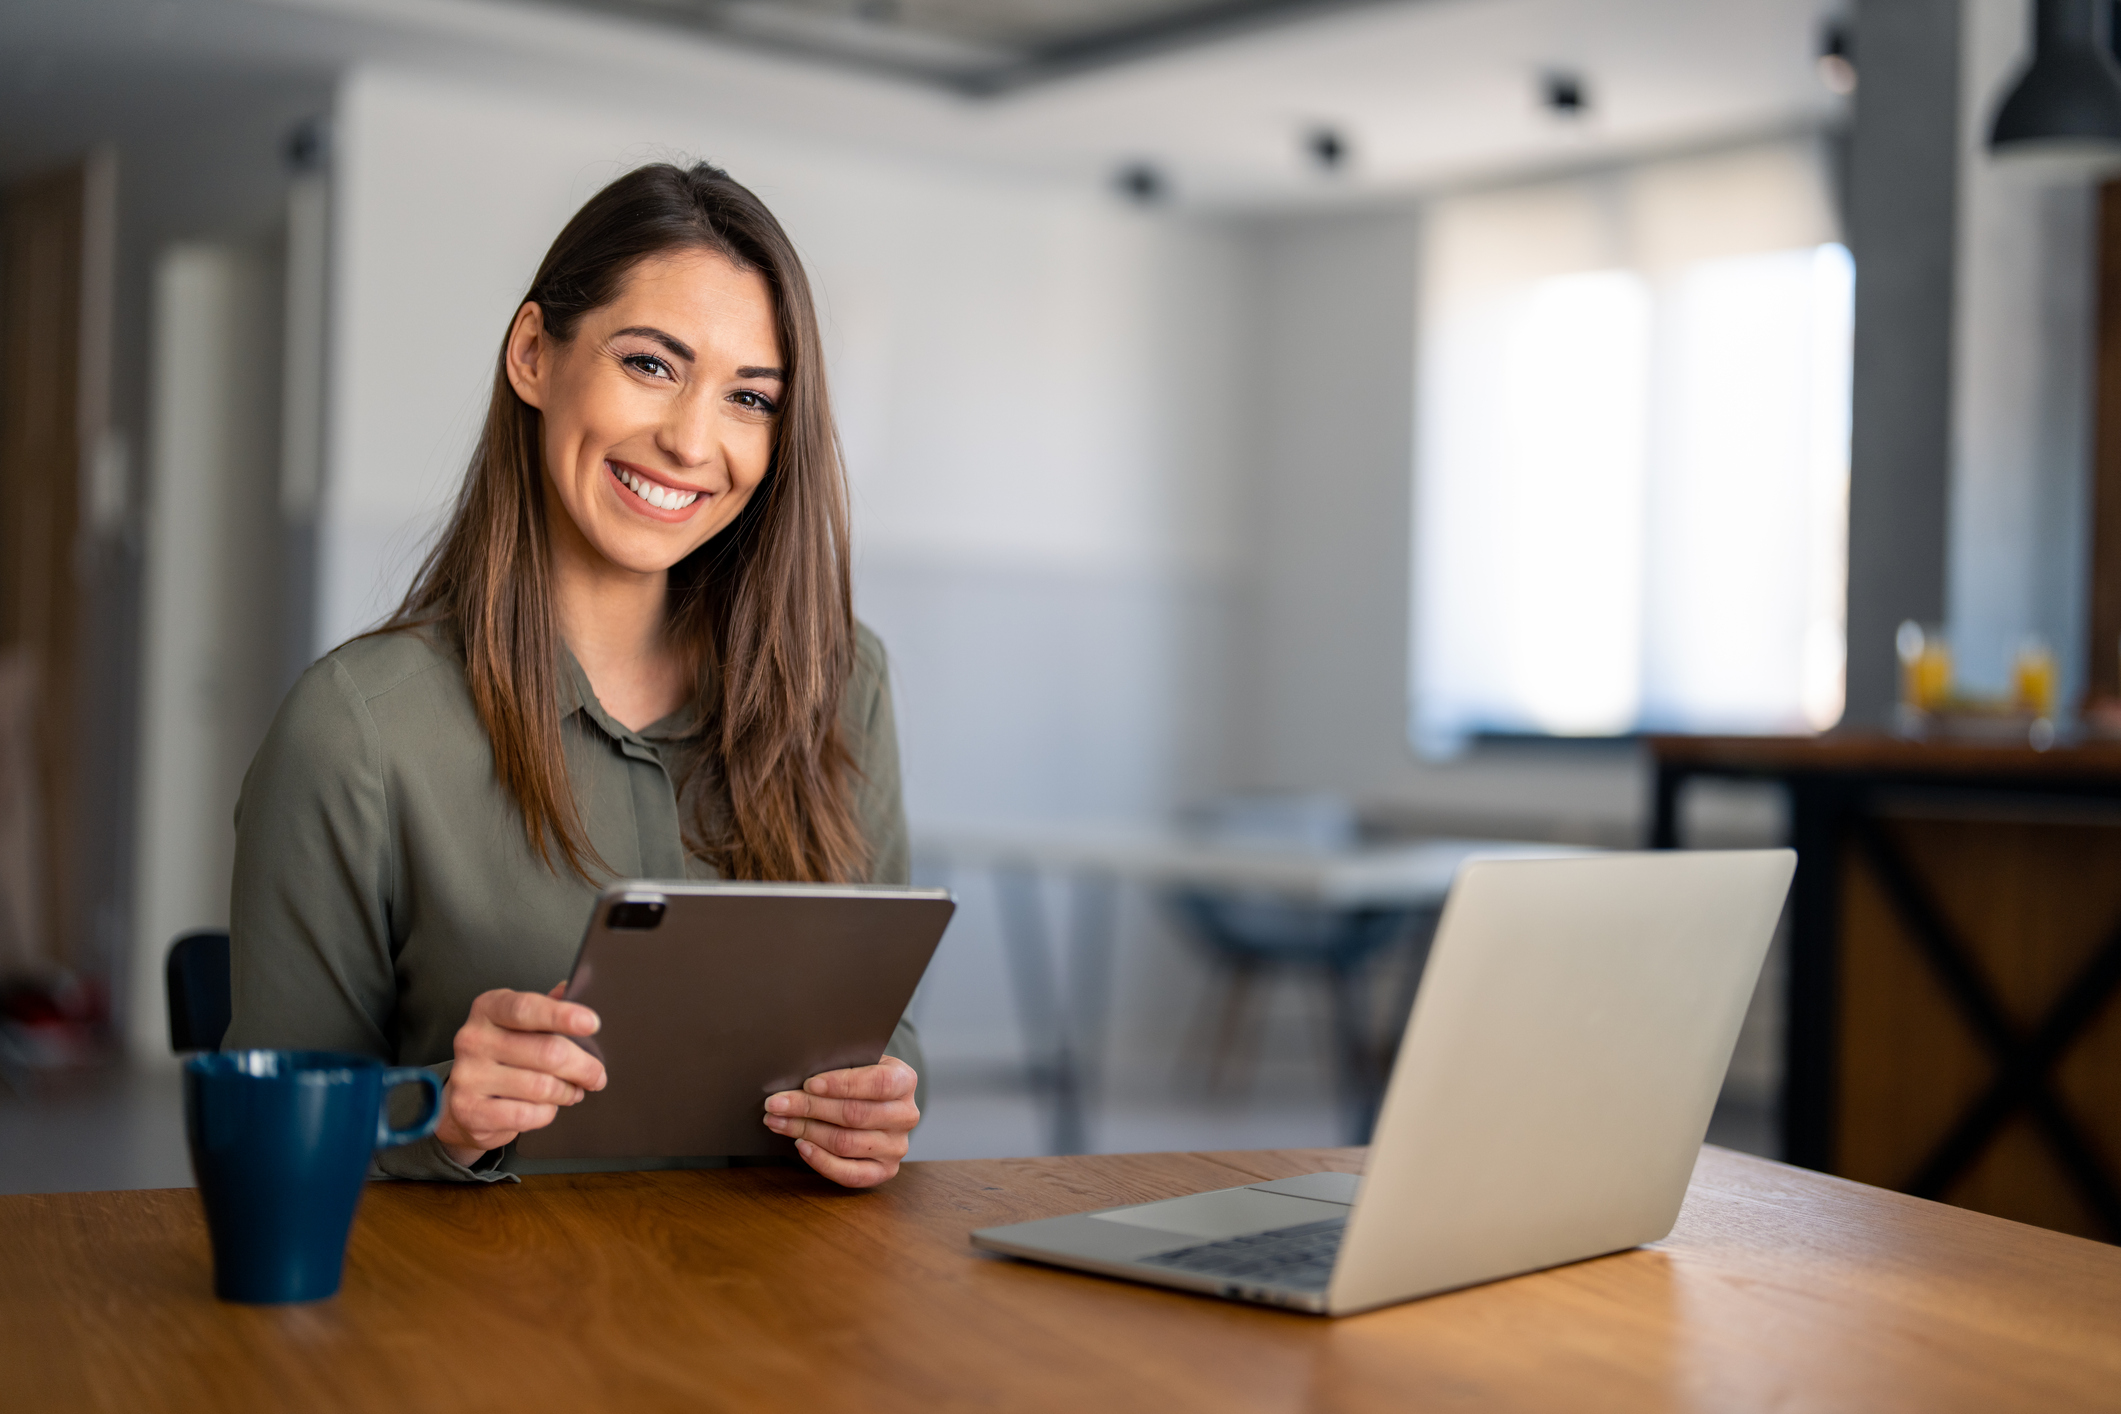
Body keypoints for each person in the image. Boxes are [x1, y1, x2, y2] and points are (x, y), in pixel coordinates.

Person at [222, 162, 922, 1188]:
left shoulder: (842, 682)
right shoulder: (357, 729)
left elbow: (883, 1032)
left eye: (750, 398)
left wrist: (877, 1102)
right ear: (533, 355)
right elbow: (262, 1144)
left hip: (780, 1321)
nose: (691, 439)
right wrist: (440, 1117)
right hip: (470, 1328)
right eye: (650, 363)